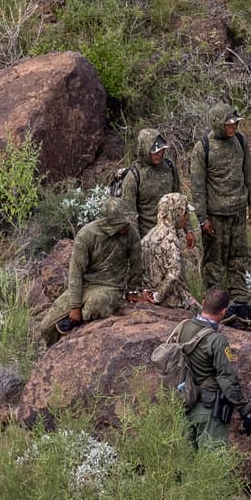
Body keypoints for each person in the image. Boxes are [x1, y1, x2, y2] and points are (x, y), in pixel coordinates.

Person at [39, 198, 152, 346]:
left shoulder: (131, 234)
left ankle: (74, 325)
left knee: (94, 305)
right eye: (121, 223)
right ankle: (53, 353)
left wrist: (131, 291)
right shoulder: (87, 235)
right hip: (86, 286)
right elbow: (76, 272)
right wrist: (75, 306)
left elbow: (137, 265)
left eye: (127, 221)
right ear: (108, 223)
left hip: (111, 287)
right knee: (45, 326)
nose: (127, 225)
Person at [190, 103, 251, 323]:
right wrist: (202, 219)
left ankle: (240, 303)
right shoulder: (203, 148)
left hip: (238, 213)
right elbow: (197, 187)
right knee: (214, 263)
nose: (234, 127)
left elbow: (249, 174)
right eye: (229, 124)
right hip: (215, 217)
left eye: (236, 123)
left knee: (238, 259)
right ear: (218, 124)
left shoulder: (240, 141)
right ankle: (216, 306)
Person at [179, 288, 251, 448]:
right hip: (209, 411)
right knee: (212, 465)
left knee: (185, 463)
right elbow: (227, 379)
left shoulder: (184, 327)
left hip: (184, 404)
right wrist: (244, 410)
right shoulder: (216, 340)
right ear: (224, 311)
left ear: (203, 303)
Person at [120, 128, 194, 245]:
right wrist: (135, 245)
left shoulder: (169, 167)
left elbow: (180, 201)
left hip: (171, 236)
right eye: (154, 151)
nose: (159, 154)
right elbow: (130, 216)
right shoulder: (133, 177)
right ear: (145, 150)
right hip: (147, 240)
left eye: (161, 150)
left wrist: (188, 230)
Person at [142, 192, 198, 310]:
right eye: (184, 214)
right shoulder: (170, 240)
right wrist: (158, 296)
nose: (186, 217)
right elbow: (174, 274)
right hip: (173, 301)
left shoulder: (150, 234)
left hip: (150, 292)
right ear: (176, 213)